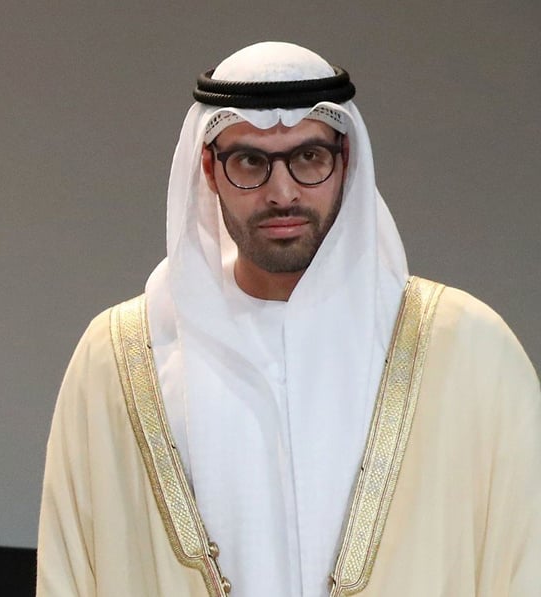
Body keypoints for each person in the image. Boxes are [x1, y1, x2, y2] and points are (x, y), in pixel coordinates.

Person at [36, 42, 540, 596]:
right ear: (209, 168)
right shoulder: (121, 358)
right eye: (250, 161)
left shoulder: (468, 351)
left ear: (345, 161)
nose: (282, 192)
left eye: (308, 158)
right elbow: (69, 574)